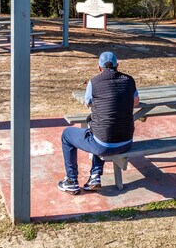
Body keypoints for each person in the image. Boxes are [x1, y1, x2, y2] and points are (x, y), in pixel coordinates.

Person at [58, 51, 139, 194]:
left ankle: (71, 180)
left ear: (99, 68)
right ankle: (95, 175)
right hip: (127, 142)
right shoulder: (129, 80)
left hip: (104, 145)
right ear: (117, 66)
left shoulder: (94, 82)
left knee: (67, 135)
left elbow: (88, 103)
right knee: (98, 128)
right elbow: (136, 102)